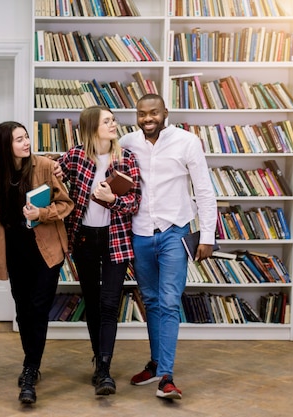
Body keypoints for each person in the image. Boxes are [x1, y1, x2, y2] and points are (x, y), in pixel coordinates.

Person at [120, 94, 217, 400]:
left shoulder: (187, 142)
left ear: (165, 113)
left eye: (153, 113)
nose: (147, 118)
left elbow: (204, 190)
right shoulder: (127, 142)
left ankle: (167, 377)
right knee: (150, 301)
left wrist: (207, 237)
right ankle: (155, 363)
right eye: (141, 113)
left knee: (169, 302)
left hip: (175, 232)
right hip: (141, 233)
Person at [0, 121, 74, 404]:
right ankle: (32, 363)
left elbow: (66, 204)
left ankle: (30, 370)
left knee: (38, 308)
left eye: (27, 137)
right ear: (5, 145)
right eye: (19, 139)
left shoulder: (45, 167)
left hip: (46, 250)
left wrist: (42, 213)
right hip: (14, 251)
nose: (26, 143)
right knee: (23, 311)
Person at [58, 105, 141, 396]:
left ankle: (104, 369)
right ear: (93, 128)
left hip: (115, 239)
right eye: (107, 121)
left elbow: (135, 203)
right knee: (92, 303)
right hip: (84, 240)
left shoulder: (126, 158)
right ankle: (99, 362)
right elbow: (53, 177)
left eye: (113, 120)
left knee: (109, 304)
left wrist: (112, 200)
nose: (114, 124)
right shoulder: (75, 156)